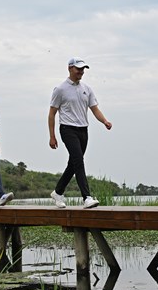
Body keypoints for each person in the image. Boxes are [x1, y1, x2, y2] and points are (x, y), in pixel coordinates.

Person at [48, 57, 112, 209]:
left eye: (83, 69)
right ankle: (87, 197)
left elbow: (94, 109)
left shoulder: (86, 88)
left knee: (73, 163)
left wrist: (105, 121)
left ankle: (58, 192)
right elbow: (52, 113)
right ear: (70, 68)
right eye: (78, 69)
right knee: (78, 160)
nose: (81, 72)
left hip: (83, 130)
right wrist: (52, 136)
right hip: (67, 129)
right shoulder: (60, 89)